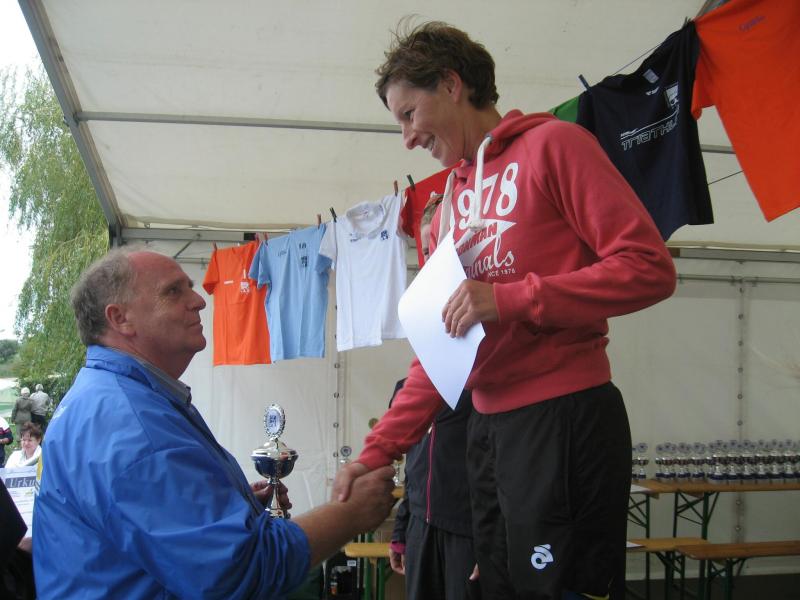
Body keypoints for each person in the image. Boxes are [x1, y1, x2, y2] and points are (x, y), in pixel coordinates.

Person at [334, 21, 677, 599]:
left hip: (562, 417)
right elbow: (439, 353)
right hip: (487, 433)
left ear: (451, 84)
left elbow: (649, 267)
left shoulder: (556, 145)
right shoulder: (448, 204)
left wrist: (512, 298)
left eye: (409, 114)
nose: (407, 138)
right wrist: (377, 452)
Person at [33, 248, 396, 599]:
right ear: (120, 318)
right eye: (173, 291)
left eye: (190, 287)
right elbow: (238, 572)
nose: (198, 301)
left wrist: (224, 506)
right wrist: (350, 514)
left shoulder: (113, 399)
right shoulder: (130, 423)